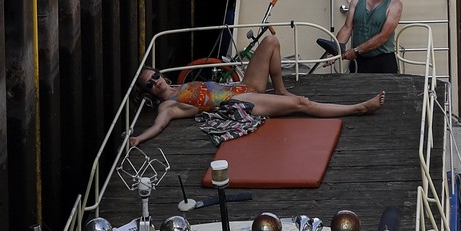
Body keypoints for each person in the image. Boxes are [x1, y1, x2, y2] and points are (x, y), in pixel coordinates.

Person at [129, 36, 385, 148]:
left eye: (155, 76)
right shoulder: (168, 105)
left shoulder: (178, 86)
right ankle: (359, 108)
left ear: (160, 73)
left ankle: (280, 89)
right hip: (237, 101)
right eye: (150, 84)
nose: (156, 82)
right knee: (301, 104)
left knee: (271, 42)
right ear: (148, 93)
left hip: (243, 87)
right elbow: (159, 126)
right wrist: (139, 138)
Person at [335, 0, 403, 73]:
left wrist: (356, 51)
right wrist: (335, 50)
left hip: (383, 61)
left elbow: (383, 37)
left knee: (385, 91)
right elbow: (347, 28)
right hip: (359, 61)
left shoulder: (395, 5)